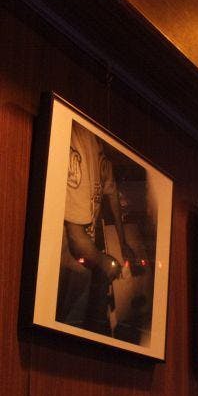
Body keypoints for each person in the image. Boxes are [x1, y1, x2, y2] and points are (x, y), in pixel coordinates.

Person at [56, 121, 134, 336]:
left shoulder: (102, 151)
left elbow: (112, 194)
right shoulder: (80, 141)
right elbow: (76, 238)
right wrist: (107, 263)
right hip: (61, 263)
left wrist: (123, 242)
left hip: (82, 264)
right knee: (61, 325)